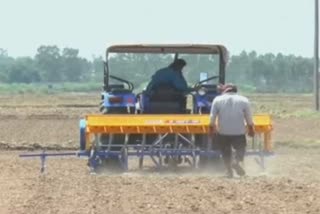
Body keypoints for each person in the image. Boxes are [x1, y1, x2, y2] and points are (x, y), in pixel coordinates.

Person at [209, 83, 255, 178]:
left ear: (225, 90)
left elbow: (212, 117)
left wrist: (211, 129)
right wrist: (251, 129)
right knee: (241, 148)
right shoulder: (244, 100)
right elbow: (249, 118)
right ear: (235, 90)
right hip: (239, 131)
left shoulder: (217, 100)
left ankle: (229, 171)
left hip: (223, 131)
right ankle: (236, 161)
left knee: (225, 151)